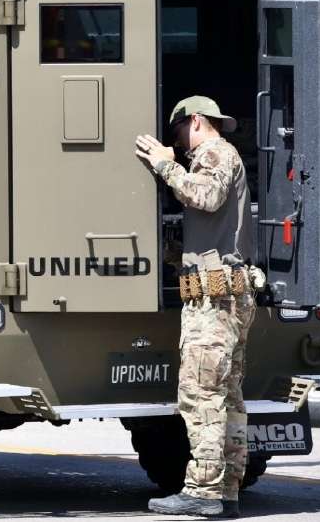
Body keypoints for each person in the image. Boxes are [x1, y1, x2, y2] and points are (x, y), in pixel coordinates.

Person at [135, 96, 257, 519]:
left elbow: (204, 196)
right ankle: (225, 491)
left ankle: (202, 492)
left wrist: (166, 165)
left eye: (178, 132)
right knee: (227, 397)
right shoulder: (218, 155)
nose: (177, 141)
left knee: (201, 395)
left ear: (197, 121)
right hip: (221, 291)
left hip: (214, 300)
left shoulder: (216, 153)